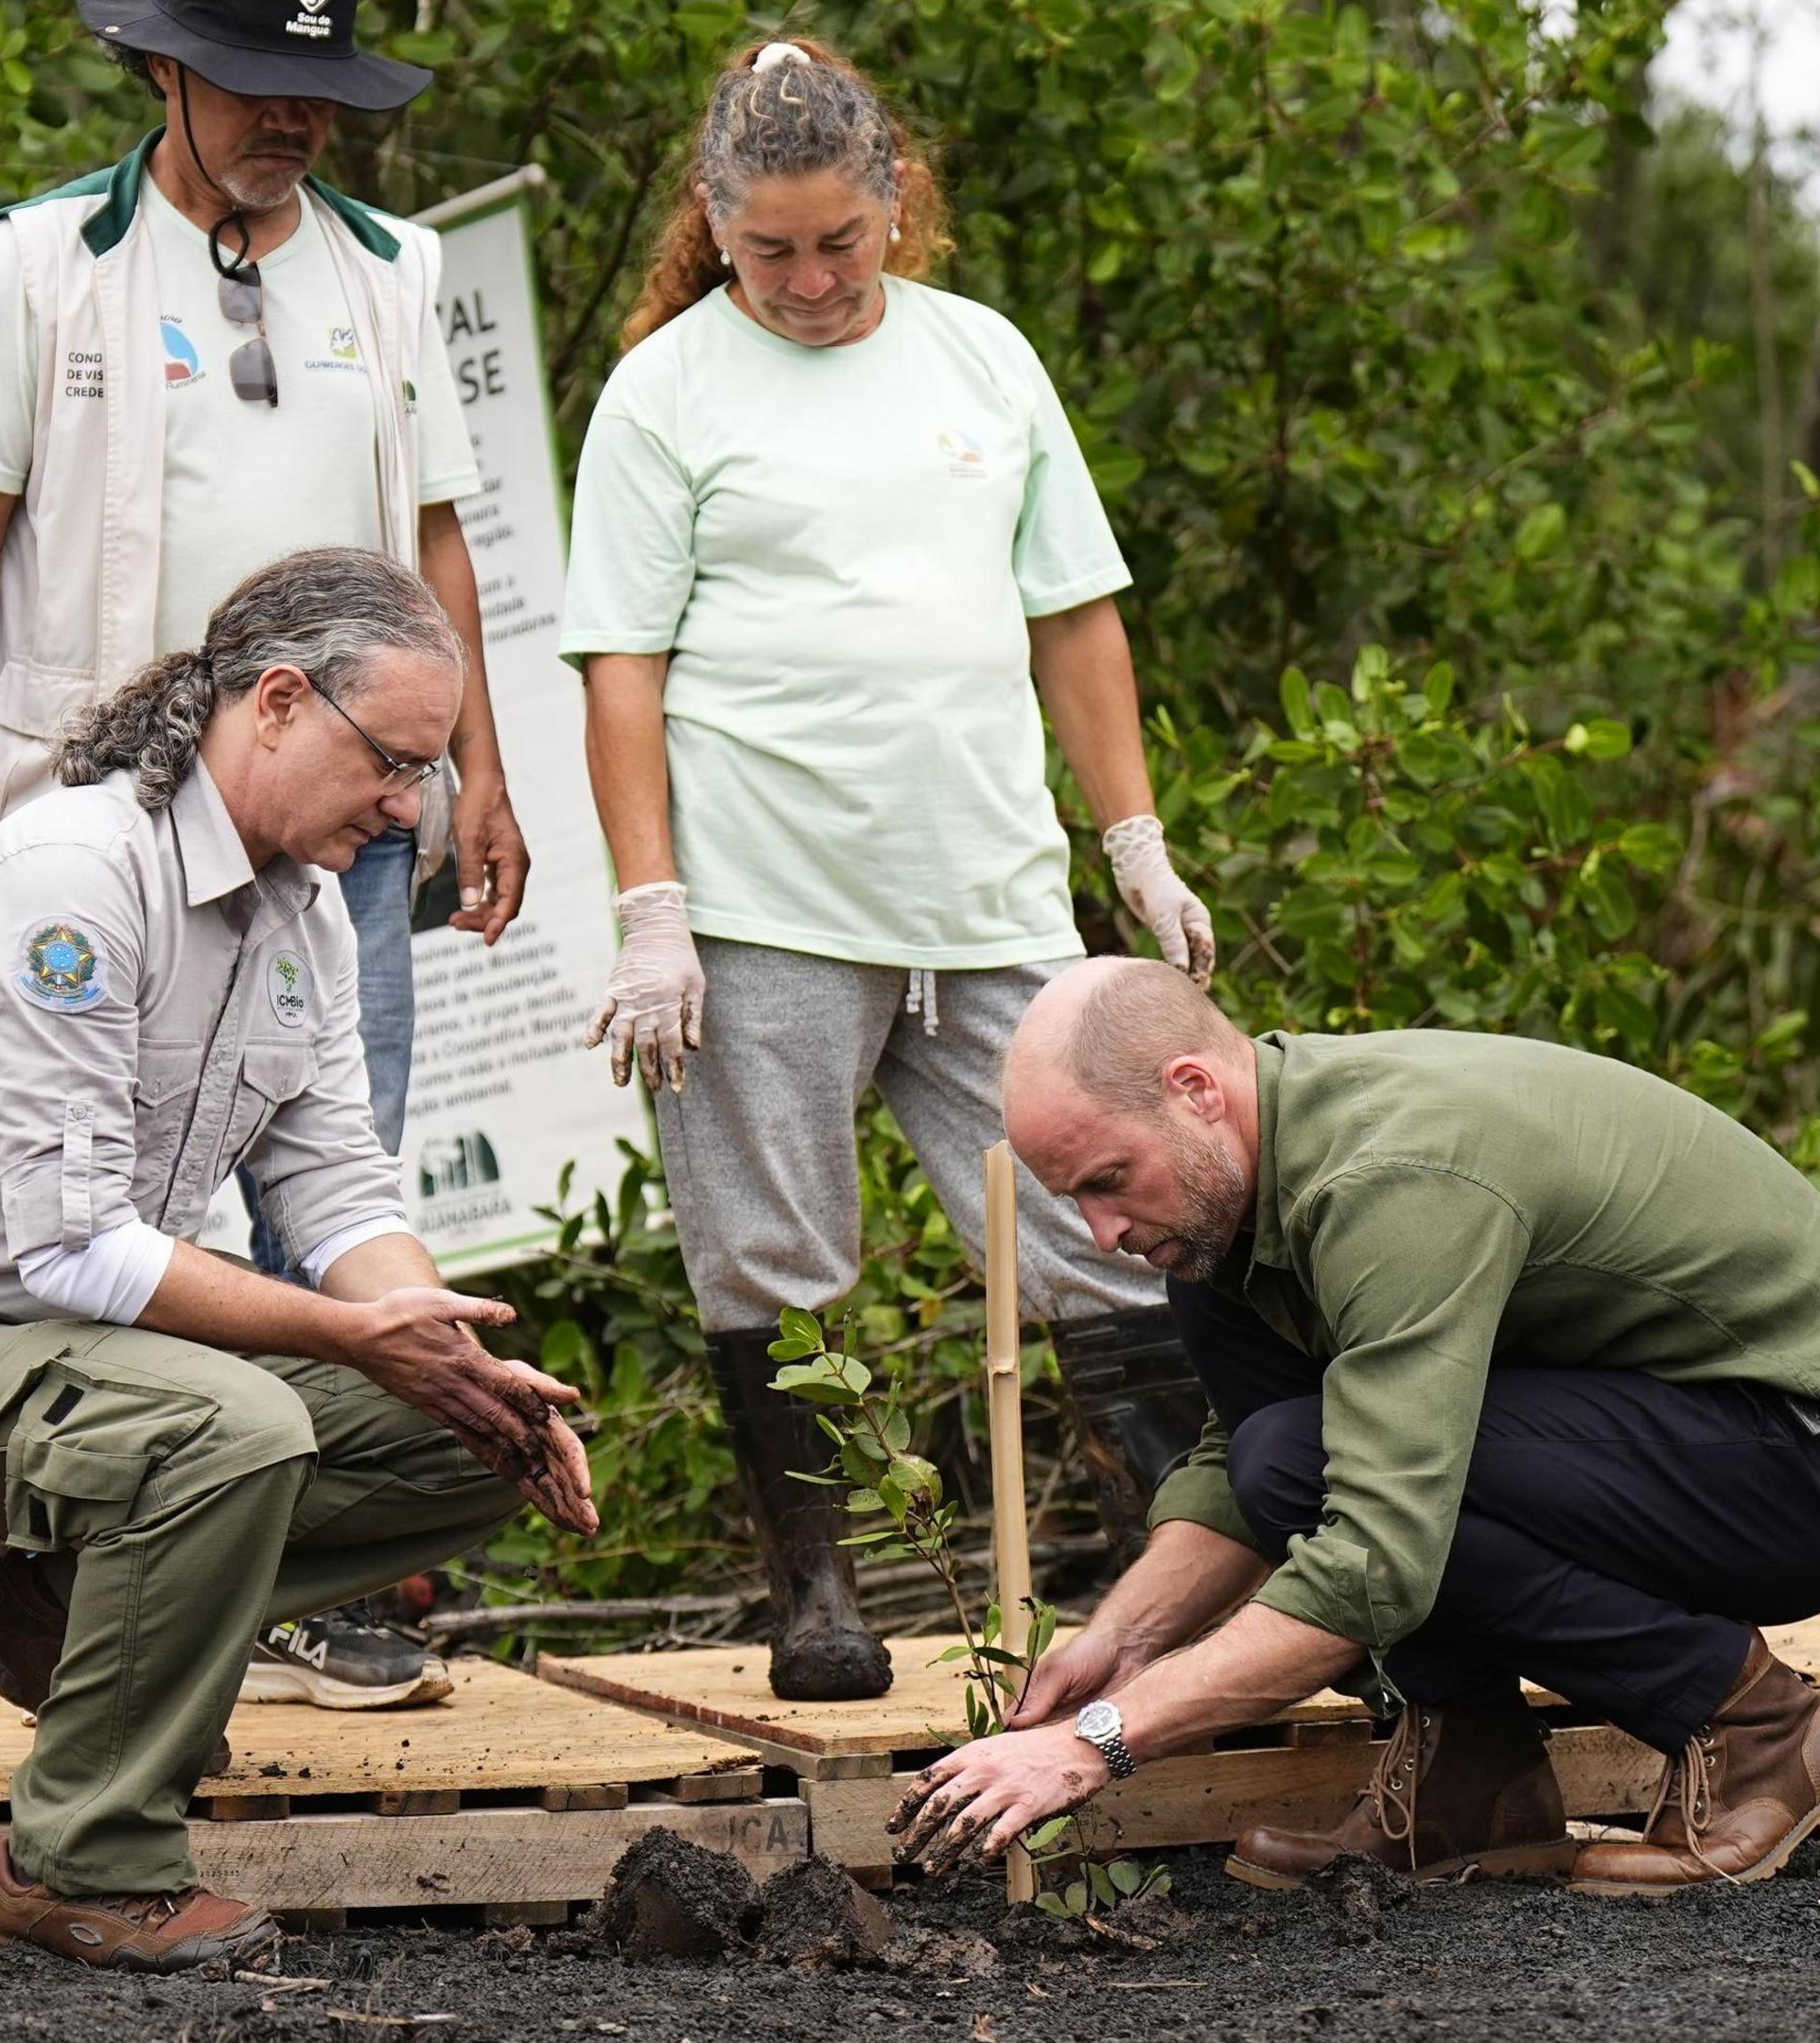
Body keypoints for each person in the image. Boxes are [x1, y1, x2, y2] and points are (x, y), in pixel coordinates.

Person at [0, 548, 600, 1971]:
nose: (410, 805)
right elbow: (76, 1251)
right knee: (239, 1423)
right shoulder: (74, 876)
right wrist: (351, 1339)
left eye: (429, 775)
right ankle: (84, 1864)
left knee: (474, 1431)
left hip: (86, 1366)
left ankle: (52, 1610)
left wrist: (445, 1354)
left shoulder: (303, 915)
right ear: (278, 701)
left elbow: (338, 1184)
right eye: (395, 764)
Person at [555, 37, 1220, 1703]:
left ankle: (1198, 1596)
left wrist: (1128, 837)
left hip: (986, 891)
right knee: (775, 1254)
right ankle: (823, 1594)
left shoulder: (982, 360)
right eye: (766, 248)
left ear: (894, 202)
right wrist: (652, 911)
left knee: (1107, 1231)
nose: (806, 278)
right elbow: (620, 661)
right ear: (714, 224)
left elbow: (1074, 607)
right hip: (761, 895)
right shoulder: (667, 388)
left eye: (839, 241)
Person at [0, 0, 532, 1707]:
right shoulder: (46, 262)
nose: (297, 122)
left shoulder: (391, 265)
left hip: (353, 815)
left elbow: (436, 542)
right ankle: (74, 1569)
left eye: (326, 95)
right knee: (91, 1198)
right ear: (166, 70)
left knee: (341, 1171)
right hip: (106, 814)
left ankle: (314, 1585)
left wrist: (475, 772)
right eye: (263, 86)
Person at [889, 960, 1820, 1899]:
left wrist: (1095, 1747)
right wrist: (1121, 1643)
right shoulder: (1220, 1213)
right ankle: (1471, 1778)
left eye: (1109, 1182)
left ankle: (1756, 1729)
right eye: (1074, 1201)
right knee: (1283, 1456)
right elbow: (1243, 1468)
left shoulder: (1389, 1182)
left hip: (1802, 1455)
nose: (1103, 1235)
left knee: (1330, 1473)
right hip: (1658, 1437)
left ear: (1195, 1090)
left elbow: (1378, 1554)